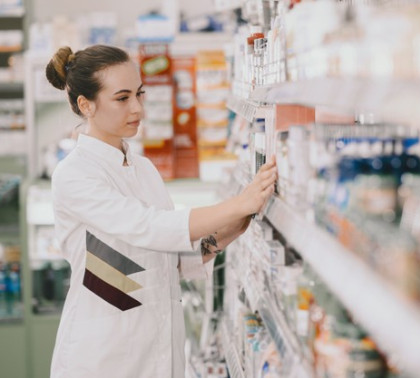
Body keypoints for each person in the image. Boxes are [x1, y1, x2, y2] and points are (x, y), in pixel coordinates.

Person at [45, 44, 277, 378]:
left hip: (158, 353)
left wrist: (231, 229)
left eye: (139, 94)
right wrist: (238, 203)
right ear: (86, 105)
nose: (137, 107)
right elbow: (148, 226)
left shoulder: (143, 169)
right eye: (122, 98)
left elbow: (165, 260)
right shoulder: (74, 174)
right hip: (102, 358)